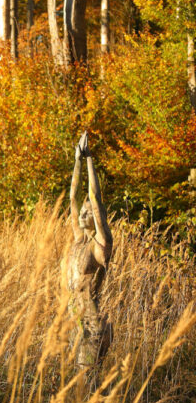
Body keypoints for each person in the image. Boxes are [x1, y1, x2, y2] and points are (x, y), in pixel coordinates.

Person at [68, 131, 113, 377]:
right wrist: (76, 159)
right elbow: (73, 198)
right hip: (75, 316)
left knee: (87, 379)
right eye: (83, 213)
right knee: (79, 380)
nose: (84, 215)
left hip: (91, 322)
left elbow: (94, 198)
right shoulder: (78, 240)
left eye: (89, 213)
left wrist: (89, 159)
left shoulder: (100, 245)